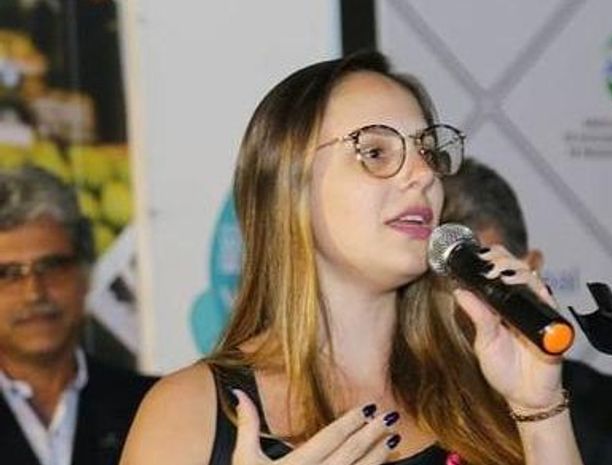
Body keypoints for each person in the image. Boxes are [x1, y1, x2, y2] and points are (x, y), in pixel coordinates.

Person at [120, 51, 584, 465]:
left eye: (428, 151)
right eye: (375, 152)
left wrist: (539, 410)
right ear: (289, 187)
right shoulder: (189, 411)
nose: (423, 174)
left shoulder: (485, 389)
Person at [441, 158, 612, 465]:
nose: (465, 301)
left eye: (483, 280)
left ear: (530, 268)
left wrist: (543, 414)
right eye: (438, 283)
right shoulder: (399, 411)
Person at [0, 166, 156, 465]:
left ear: (85, 276)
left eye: (51, 266)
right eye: (8, 274)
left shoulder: (154, 406)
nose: (34, 292)